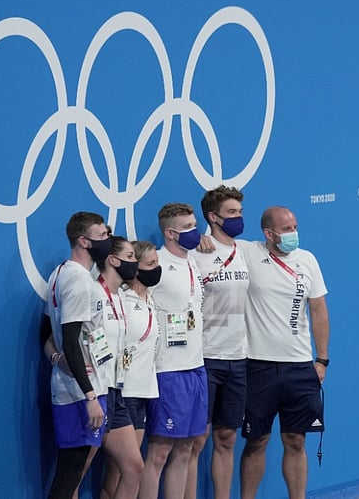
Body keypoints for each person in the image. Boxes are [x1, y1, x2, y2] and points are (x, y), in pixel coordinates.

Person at [239, 206, 330, 499]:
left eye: (295, 227)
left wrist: (321, 359)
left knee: (296, 440)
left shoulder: (308, 260)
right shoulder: (249, 253)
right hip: (259, 366)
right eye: (287, 229)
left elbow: (318, 309)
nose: (294, 234)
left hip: (300, 366)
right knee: (256, 441)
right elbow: (216, 245)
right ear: (269, 234)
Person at [139, 203, 208, 499]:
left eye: (196, 224)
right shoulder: (157, 264)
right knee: (160, 451)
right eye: (188, 227)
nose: (196, 231)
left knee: (187, 447)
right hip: (167, 369)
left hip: (195, 365)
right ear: (170, 233)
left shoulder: (193, 261)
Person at [42, 212, 113, 499]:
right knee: (71, 472)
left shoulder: (60, 273)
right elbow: (70, 340)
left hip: (76, 387)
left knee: (72, 471)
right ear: (83, 241)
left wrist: (57, 361)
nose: (108, 241)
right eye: (103, 236)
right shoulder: (79, 282)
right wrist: (90, 396)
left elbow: (47, 333)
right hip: (80, 394)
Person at [187, 186, 250, 499]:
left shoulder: (250, 251)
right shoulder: (195, 254)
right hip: (205, 357)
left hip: (239, 358)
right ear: (212, 217)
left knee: (227, 438)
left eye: (239, 212)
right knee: (197, 440)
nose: (238, 218)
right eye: (231, 213)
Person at [100, 240, 161, 499]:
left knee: (132, 469)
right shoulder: (121, 299)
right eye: (149, 264)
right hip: (123, 390)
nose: (156, 268)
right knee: (117, 471)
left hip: (144, 390)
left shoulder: (152, 300)